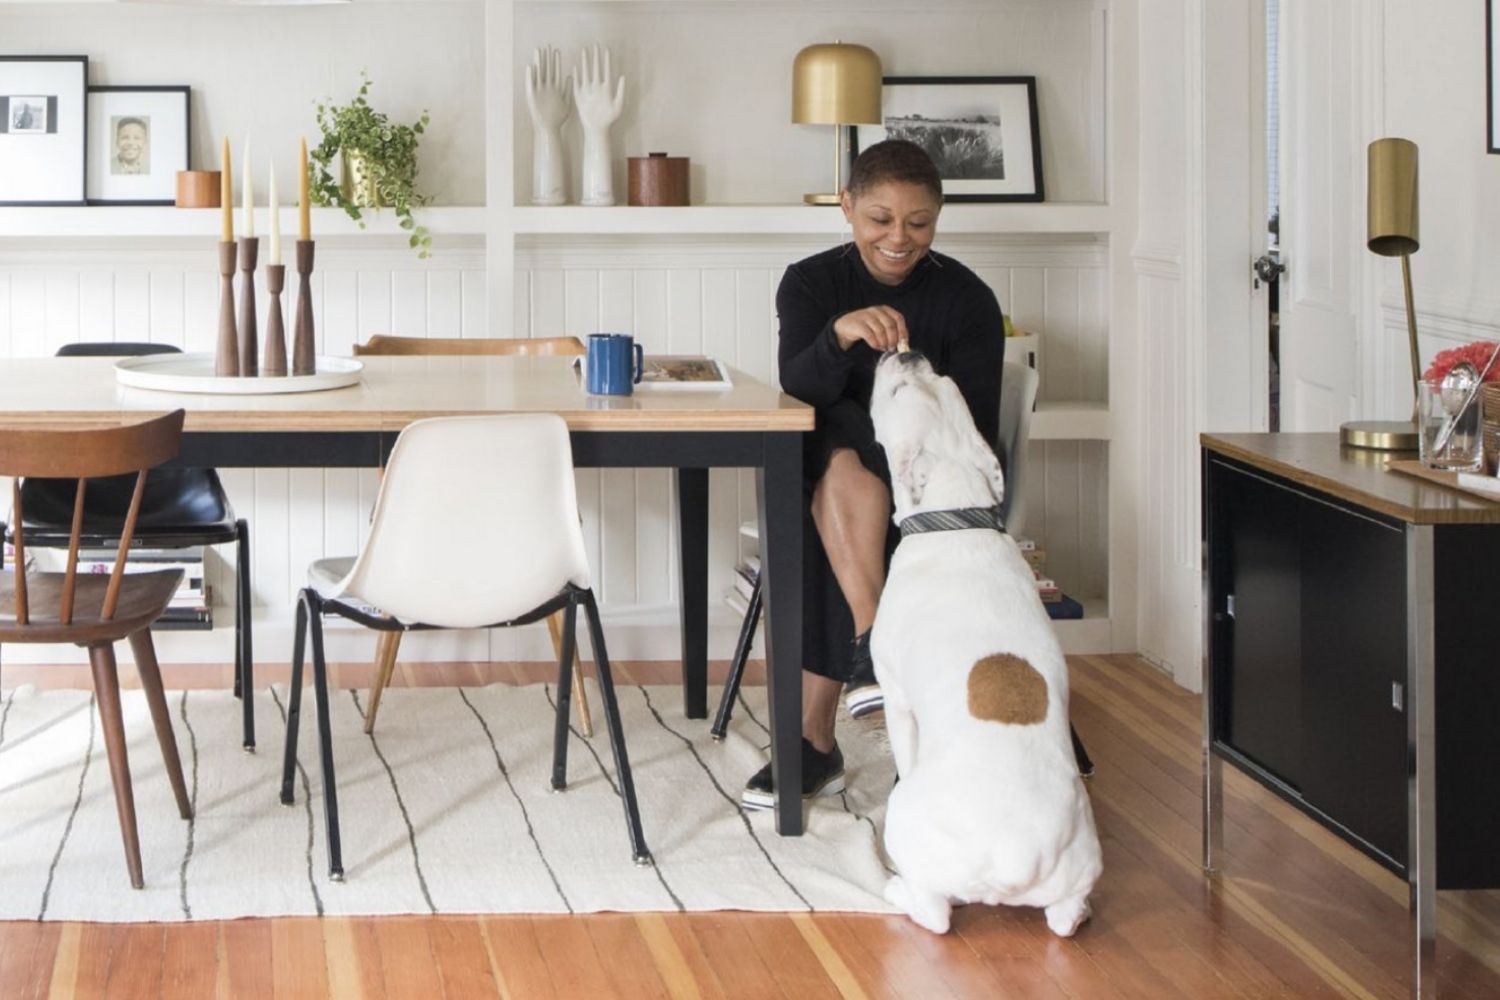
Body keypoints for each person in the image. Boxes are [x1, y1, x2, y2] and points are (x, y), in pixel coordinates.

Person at [741, 139, 1005, 810]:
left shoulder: (967, 300)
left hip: (926, 486)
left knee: (840, 489)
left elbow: (970, 427)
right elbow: (796, 387)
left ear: (938, 217)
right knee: (834, 442)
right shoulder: (809, 283)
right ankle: (878, 652)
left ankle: (815, 739)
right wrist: (840, 335)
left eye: (918, 223)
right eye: (880, 219)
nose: (899, 238)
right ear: (848, 207)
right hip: (829, 472)